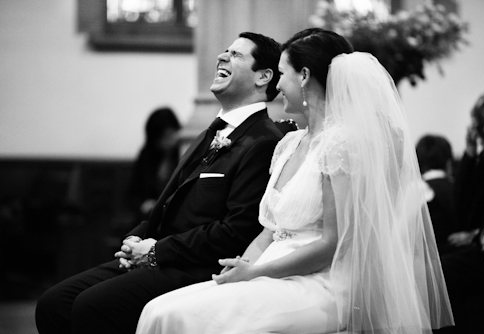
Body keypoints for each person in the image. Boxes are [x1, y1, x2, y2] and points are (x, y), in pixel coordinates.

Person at [135, 28, 454, 334]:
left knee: (178, 318)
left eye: (283, 73)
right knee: (158, 309)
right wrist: (238, 269)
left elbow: (331, 243)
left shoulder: (340, 144)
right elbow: (267, 233)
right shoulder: (288, 145)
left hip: (320, 282)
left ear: (303, 76)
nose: (278, 85)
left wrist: (257, 272)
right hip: (270, 272)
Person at [35, 31, 283, 334]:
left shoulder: (263, 141)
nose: (221, 56)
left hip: (197, 266)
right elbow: (168, 204)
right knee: (54, 303)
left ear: (263, 76)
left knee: (92, 305)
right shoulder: (212, 133)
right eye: (225, 51)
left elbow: (237, 231)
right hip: (159, 255)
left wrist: (156, 252)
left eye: (236, 55)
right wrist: (135, 240)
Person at [438, 88, 484, 334]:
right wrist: (469, 153)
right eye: (483, 122)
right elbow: (462, 213)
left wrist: (482, 232)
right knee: (441, 269)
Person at [128, 107, 181, 222]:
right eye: (163, 137)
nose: (168, 141)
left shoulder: (182, 152)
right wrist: (143, 204)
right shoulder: (147, 155)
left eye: (170, 134)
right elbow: (133, 192)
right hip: (150, 216)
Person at [416, 134, 456, 254]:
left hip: (429, 260)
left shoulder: (418, 188)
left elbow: (401, 234)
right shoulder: (458, 187)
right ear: (448, 161)